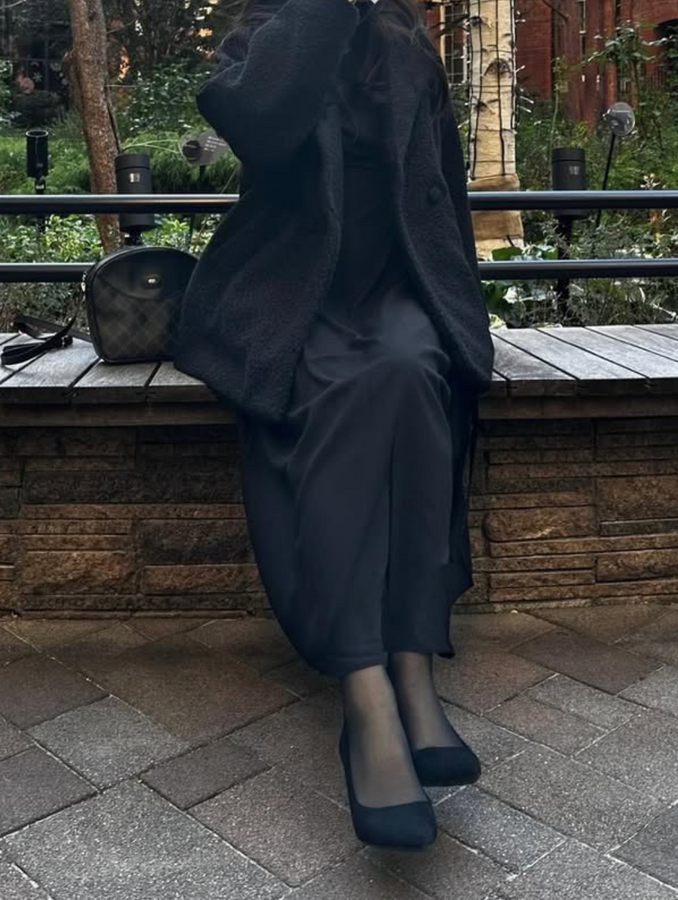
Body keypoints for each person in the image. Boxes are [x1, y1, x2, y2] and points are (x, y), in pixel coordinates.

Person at [173, 0, 495, 850]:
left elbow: (446, 192)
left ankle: (414, 662)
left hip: (398, 289)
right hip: (293, 296)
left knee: (413, 370)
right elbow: (261, 124)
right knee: (344, 391)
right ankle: (366, 691)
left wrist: (463, 314)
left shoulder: (410, 48)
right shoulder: (260, 41)